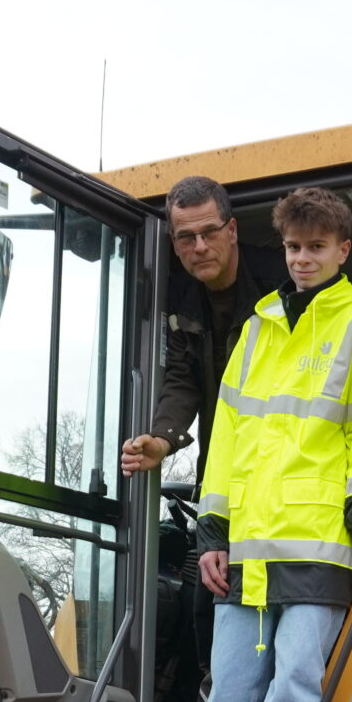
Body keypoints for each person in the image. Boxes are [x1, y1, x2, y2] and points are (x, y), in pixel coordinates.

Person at [159, 187, 352, 702]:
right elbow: (227, 436)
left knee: (293, 685)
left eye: (316, 247)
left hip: (321, 543)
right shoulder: (259, 325)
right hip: (248, 545)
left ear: (343, 251)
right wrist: (212, 531)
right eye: (294, 247)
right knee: (231, 686)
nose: (303, 258)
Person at [119, 176, 286, 483]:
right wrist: (160, 441)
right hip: (219, 471)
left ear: (232, 230)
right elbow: (182, 378)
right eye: (186, 237)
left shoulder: (284, 285)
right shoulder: (176, 299)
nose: (199, 247)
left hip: (282, 468)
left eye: (210, 232)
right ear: (173, 242)